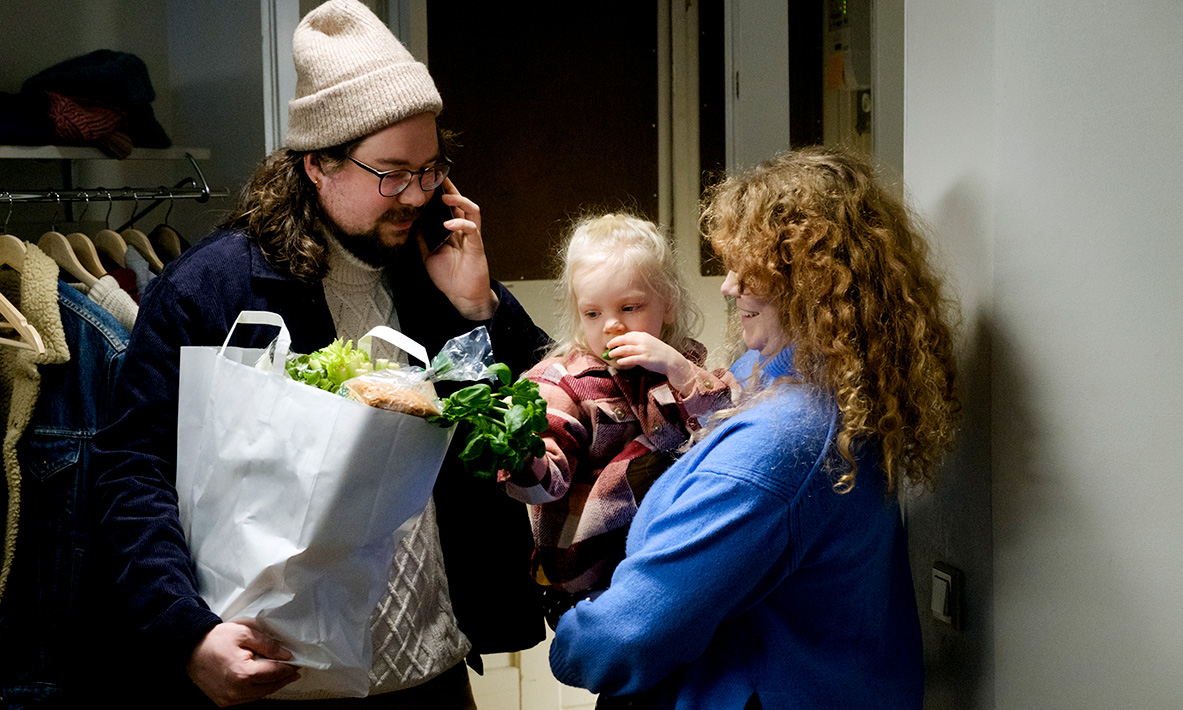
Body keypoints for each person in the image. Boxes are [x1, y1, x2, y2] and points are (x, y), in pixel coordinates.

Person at [87, 0, 548, 707]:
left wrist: (482, 305)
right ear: (318, 165)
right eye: (391, 172)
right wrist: (186, 633)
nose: (416, 195)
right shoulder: (212, 289)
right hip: (284, 674)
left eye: (431, 169)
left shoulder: (438, 265)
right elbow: (131, 472)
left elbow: (542, 405)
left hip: (434, 671)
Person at [548, 147, 961, 710]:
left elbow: (623, 637)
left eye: (751, 271)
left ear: (812, 280)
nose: (728, 286)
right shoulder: (817, 377)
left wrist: (569, 629)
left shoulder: (778, 444)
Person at [499, 213, 736, 631]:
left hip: (669, 566)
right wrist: (522, 453)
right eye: (593, 313)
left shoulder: (681, 367)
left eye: (629, 307)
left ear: (668, 304)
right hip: (590, 581)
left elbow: (723, 422)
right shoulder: (562, 383)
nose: (612, 325)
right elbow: (545, 482)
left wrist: (679, 369)